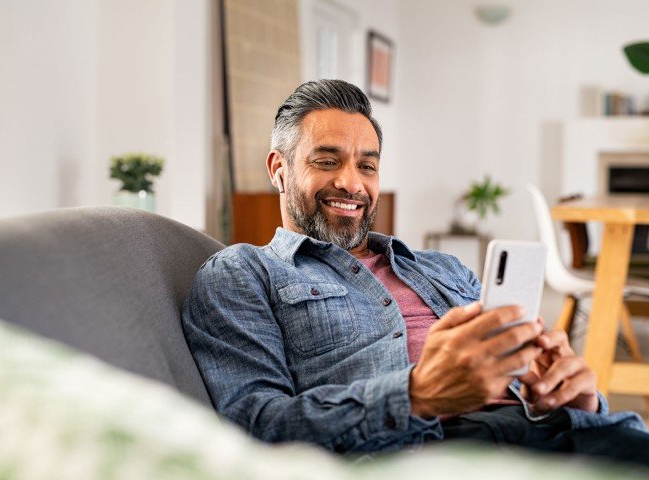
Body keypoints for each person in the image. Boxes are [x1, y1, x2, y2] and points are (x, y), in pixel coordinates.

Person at [182, 79, 649, 465]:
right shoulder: (244, 272)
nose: (351, 182)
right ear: (278, 170)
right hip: (436, 454)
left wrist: (575, 395)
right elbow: (254, 429)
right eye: (326, 161)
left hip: (568, 434)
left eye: (367, 165)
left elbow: (529, 381)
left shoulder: (441, 268)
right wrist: (418, 395)